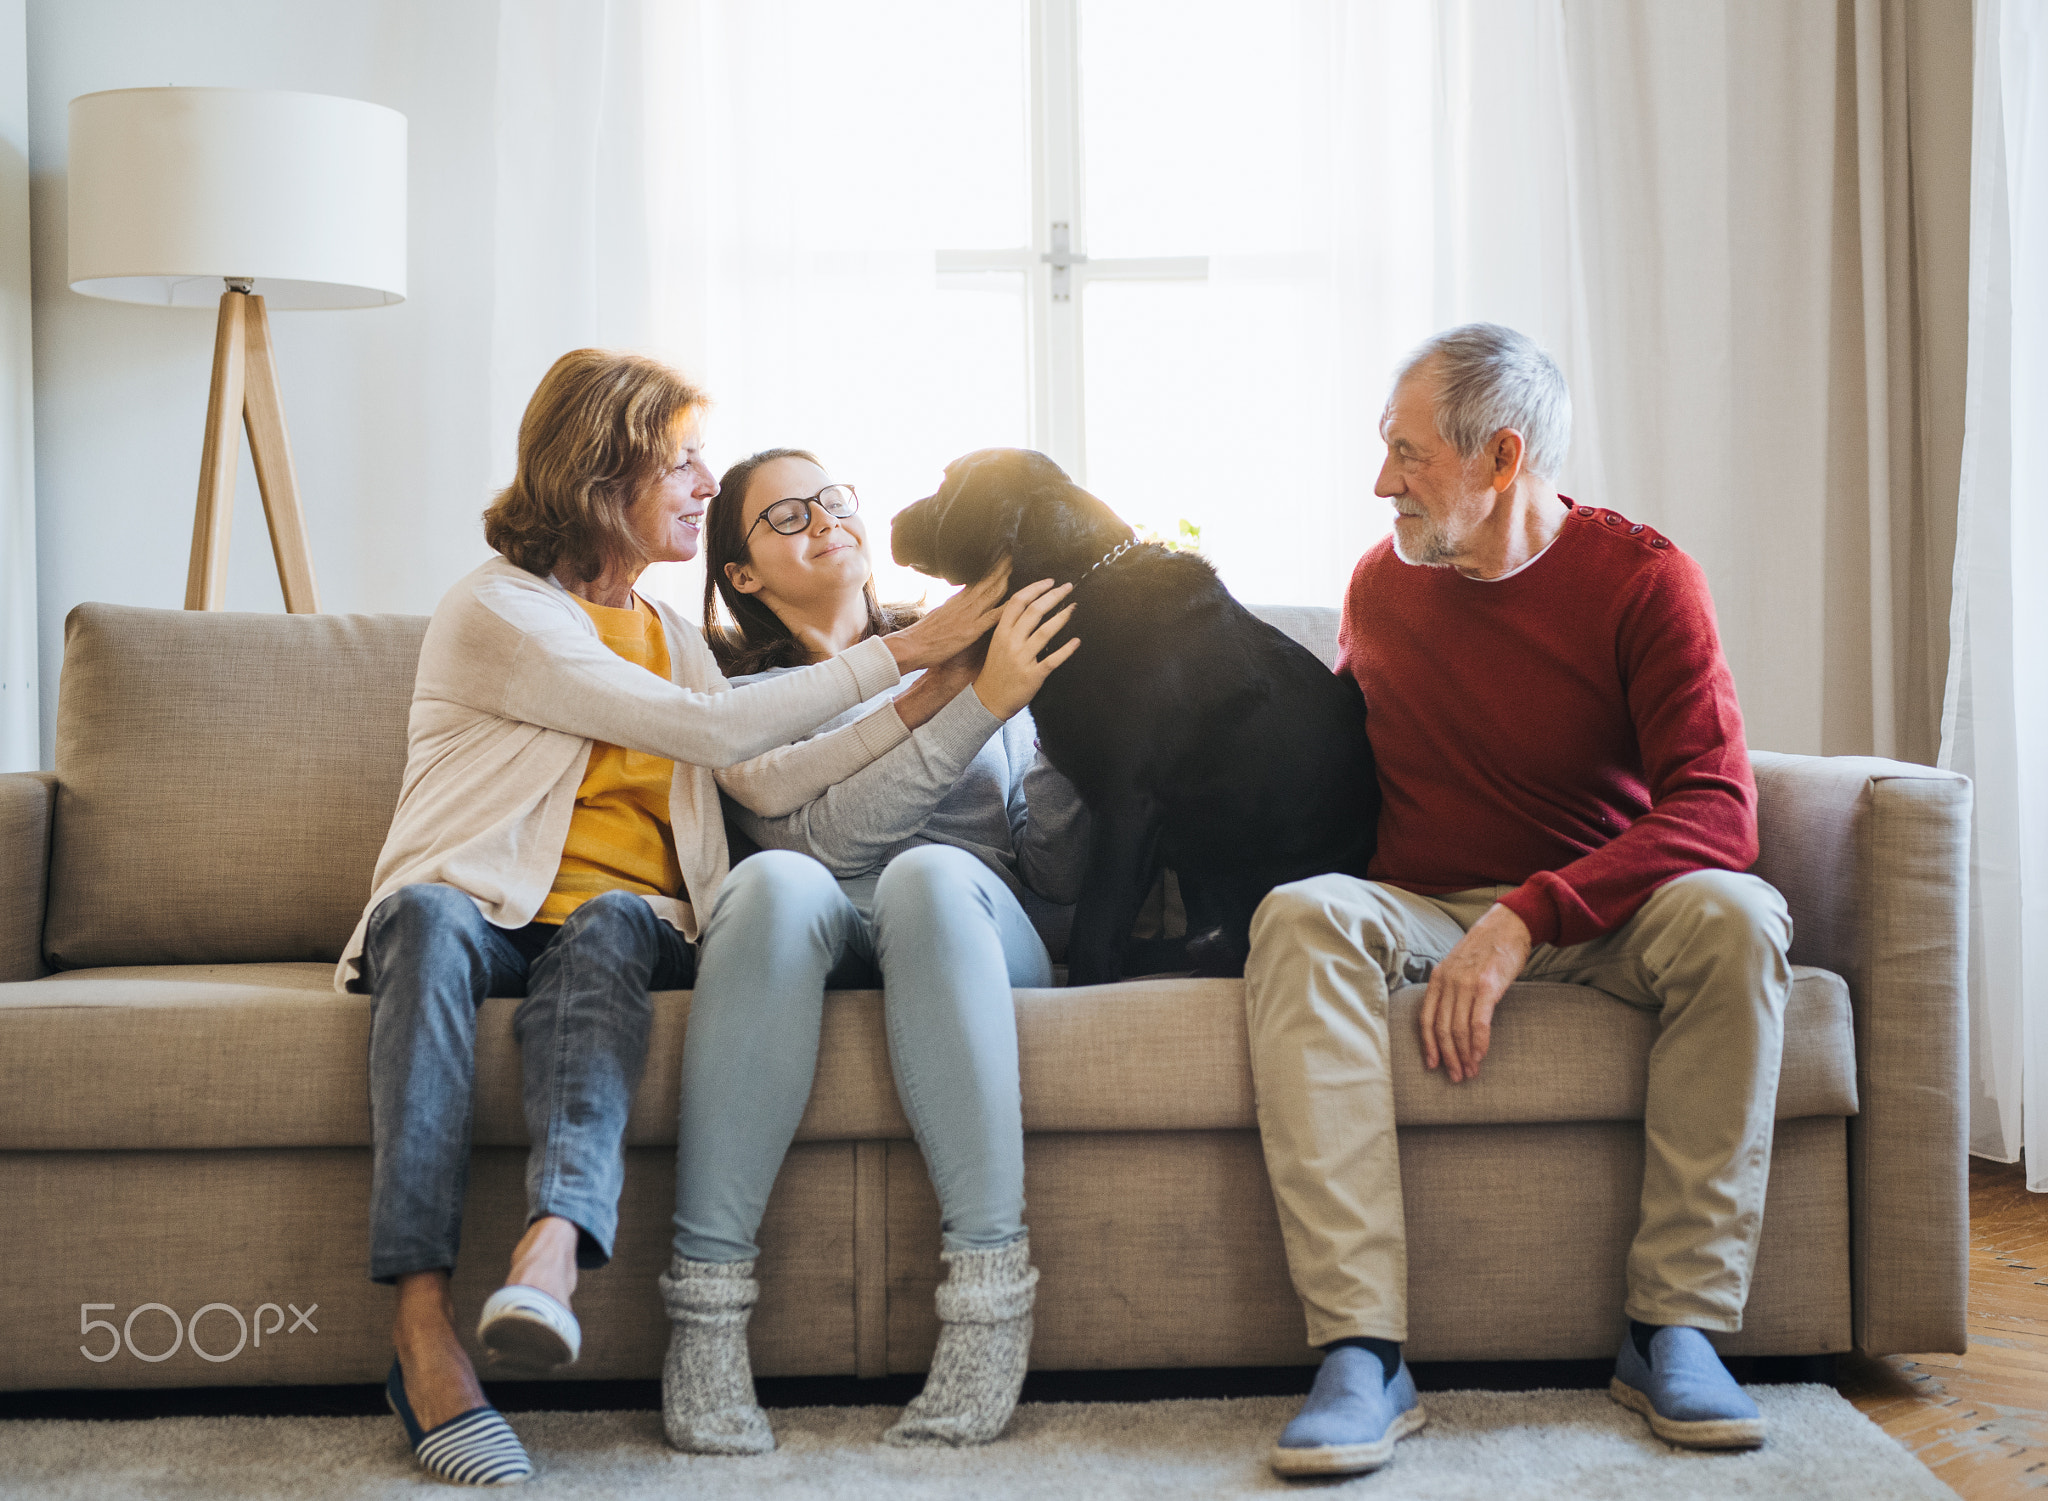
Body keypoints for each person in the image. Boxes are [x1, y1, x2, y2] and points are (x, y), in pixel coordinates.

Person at [337, 353, 1003, 1487]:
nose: (704, 481)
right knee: (429, 924)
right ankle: (422, 1332)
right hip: (472, 899)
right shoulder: (501, 607)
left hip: (625, 913)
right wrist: (906, 651)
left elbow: (766, 777)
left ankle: (549, 1253)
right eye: (683, 457)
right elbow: (704, 732)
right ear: (606, 466)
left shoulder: (673, 632)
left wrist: (933, 690)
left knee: (608, 926)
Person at [1249, 323, 1791, 1478]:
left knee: (1739, 920)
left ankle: (1670, 1329)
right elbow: (1329, 763)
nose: (1379, 482)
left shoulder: (1641, 576)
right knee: (1299, 915)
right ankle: (1361, 1351)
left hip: (1602, 912)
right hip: (1423, 903)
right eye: (1381, 449)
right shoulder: (1380, 583)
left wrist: (1528, 915)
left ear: (1499, 460)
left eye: (1407, 454)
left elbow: (1716, 809)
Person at [658, 447, 1088, 1454]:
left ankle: (989, 1299)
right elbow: (814, 842)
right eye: (787, 515)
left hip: (970, 927)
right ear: (741, 575)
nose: (827, 518)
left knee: (926, 874)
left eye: (834, 498)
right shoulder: (735, 691)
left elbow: (1054, 875)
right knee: (765, 881)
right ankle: (706, 1321)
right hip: (811, 919)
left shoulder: (984, 643)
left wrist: (1065, 722)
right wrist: (972, 699)